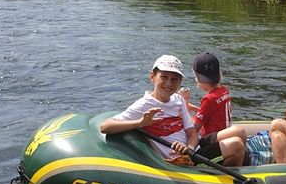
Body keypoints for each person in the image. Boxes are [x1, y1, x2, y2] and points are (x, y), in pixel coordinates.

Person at [99, 54, 245, 166]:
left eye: (174, 79)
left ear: (180, 82)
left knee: (239, 132)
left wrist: (189, 148)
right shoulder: (144, 105)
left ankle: (240, 166)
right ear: (153, 77)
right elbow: (105, 126)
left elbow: (192, 133)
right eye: (164, 77)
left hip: (191, 149)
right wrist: (140, 122)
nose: (169, 84)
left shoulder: (177, 99)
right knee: (236, 145)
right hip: (180, 159)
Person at [181, 52, 247, 166]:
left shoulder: (209, 98)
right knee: (239, 131)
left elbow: (194, 129)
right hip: (224, 133)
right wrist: (194, 108)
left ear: (199, 79)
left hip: (210, 140)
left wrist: (184, 102)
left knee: (239, 131)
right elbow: (210, 112)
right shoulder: (224, 90)